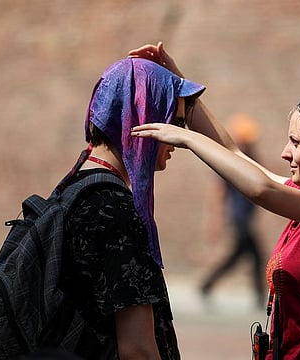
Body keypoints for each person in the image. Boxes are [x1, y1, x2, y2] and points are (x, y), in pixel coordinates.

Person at [129, 42, 300, 359]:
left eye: (295, 142)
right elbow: (236, 154)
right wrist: (179, 83)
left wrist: (187, 137)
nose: (285, 152)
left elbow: (261, 190)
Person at [57, 57, 205, 359]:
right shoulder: (114, 210)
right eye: (174, 123)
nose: (178, 139)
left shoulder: (73, 188)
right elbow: (138, 350)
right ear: (143, 118)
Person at [201, 113, 266, 309]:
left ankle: (207, 285)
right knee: (256, 256)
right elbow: (218, 192)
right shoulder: (232, 162)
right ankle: (259, 296)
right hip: (239, 219)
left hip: (244, 218)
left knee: (239, 256)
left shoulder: (250, 159)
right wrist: (215, 221)